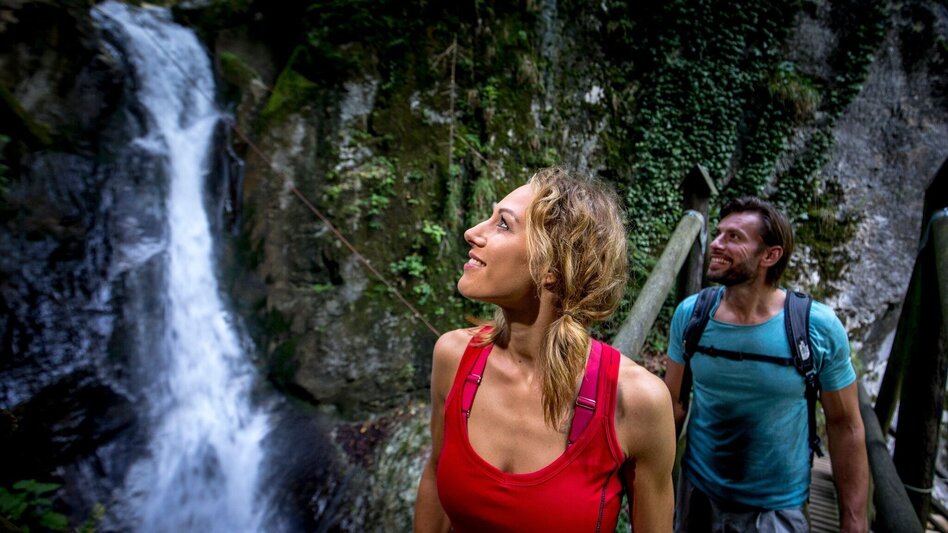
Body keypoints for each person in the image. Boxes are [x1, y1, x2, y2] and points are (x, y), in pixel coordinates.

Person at [413, 167, 676, 532]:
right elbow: (435, 473)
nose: (472, 232)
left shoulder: (635, 401)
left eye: (502, 224)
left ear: (553, 266)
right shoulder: (453, 356)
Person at [663, 196, 869, 533]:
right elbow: (671, 405)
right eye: (718, 233)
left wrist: (855, 521)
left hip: (776, 509)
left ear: (770, 255)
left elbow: (846, 424)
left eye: (734, 237)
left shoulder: (815, 327)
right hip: (697, 493)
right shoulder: (691, 315)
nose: (716, 243)